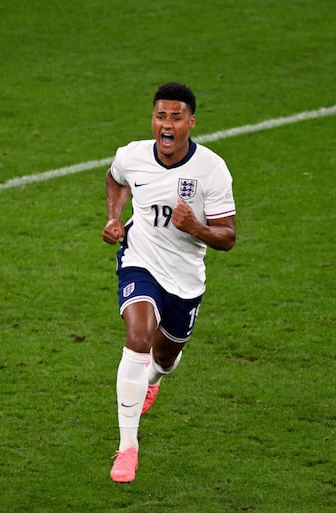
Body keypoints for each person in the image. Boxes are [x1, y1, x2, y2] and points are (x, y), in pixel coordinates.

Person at [101, 82, 237, 483]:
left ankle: (154, 380)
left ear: (191, 123)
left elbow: (227, 236)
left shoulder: (212, 170)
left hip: (185, 277)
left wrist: (195, 227)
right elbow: (115, 179)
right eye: (161, 116)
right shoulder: (133, 155)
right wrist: (113, 217)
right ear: (153, 120)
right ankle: (128, 448)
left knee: (165, 357)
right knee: (138, 337)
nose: (167, 124)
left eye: (176, 117)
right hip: (140, 258)